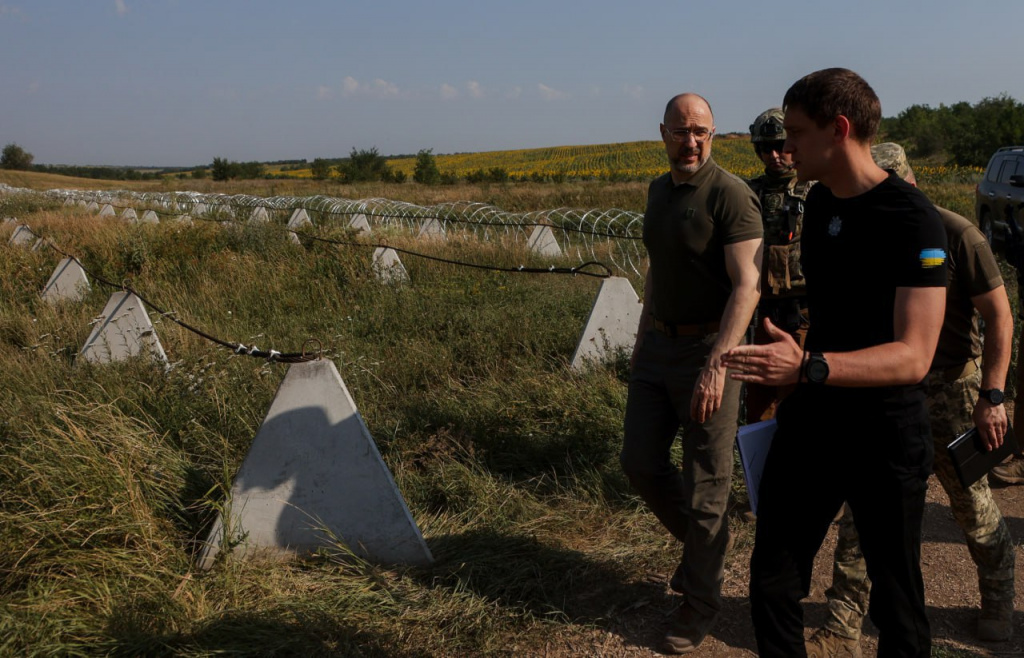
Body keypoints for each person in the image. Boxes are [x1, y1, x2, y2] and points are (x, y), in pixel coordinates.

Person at [722, 68, 948, 657]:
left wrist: (807, 368)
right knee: (772, 579)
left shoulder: (913, 220)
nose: (784, 147)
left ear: (838, 129)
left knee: (896, 603)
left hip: (885, 431)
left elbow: (913, 356)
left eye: (795, 133)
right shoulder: (820, 203)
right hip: (817, 422)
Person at [804, 143, 1016, 657]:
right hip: (889, 390)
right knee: (863, 509)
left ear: (911, 183)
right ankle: (843, 620)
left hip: (951, 389)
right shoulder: (863, 227)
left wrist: (993, 394)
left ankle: (997, 599)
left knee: (970, 503)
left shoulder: (955, 233)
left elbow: (1000, 317)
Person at [620, 92, 762, 654]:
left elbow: (747, 286)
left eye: (701, 131)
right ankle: (702, 557)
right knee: (639, 463)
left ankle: (700, 602)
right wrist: (639, 339)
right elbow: (658, 268)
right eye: (681, 131)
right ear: (663, 134)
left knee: (706, 486)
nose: (691, 141)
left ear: (713, 134)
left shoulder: (730, 195)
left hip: (711, 347)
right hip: (658, 346)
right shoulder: (658, 191)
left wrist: (718, 366)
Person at [745, 108, 813, 422]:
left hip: (803, 310)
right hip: (761, 309)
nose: (774, 155)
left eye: (780, 146)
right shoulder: (746, 193)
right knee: (758, 401)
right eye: (765, 148)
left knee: (799, 397)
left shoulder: (816, 189)